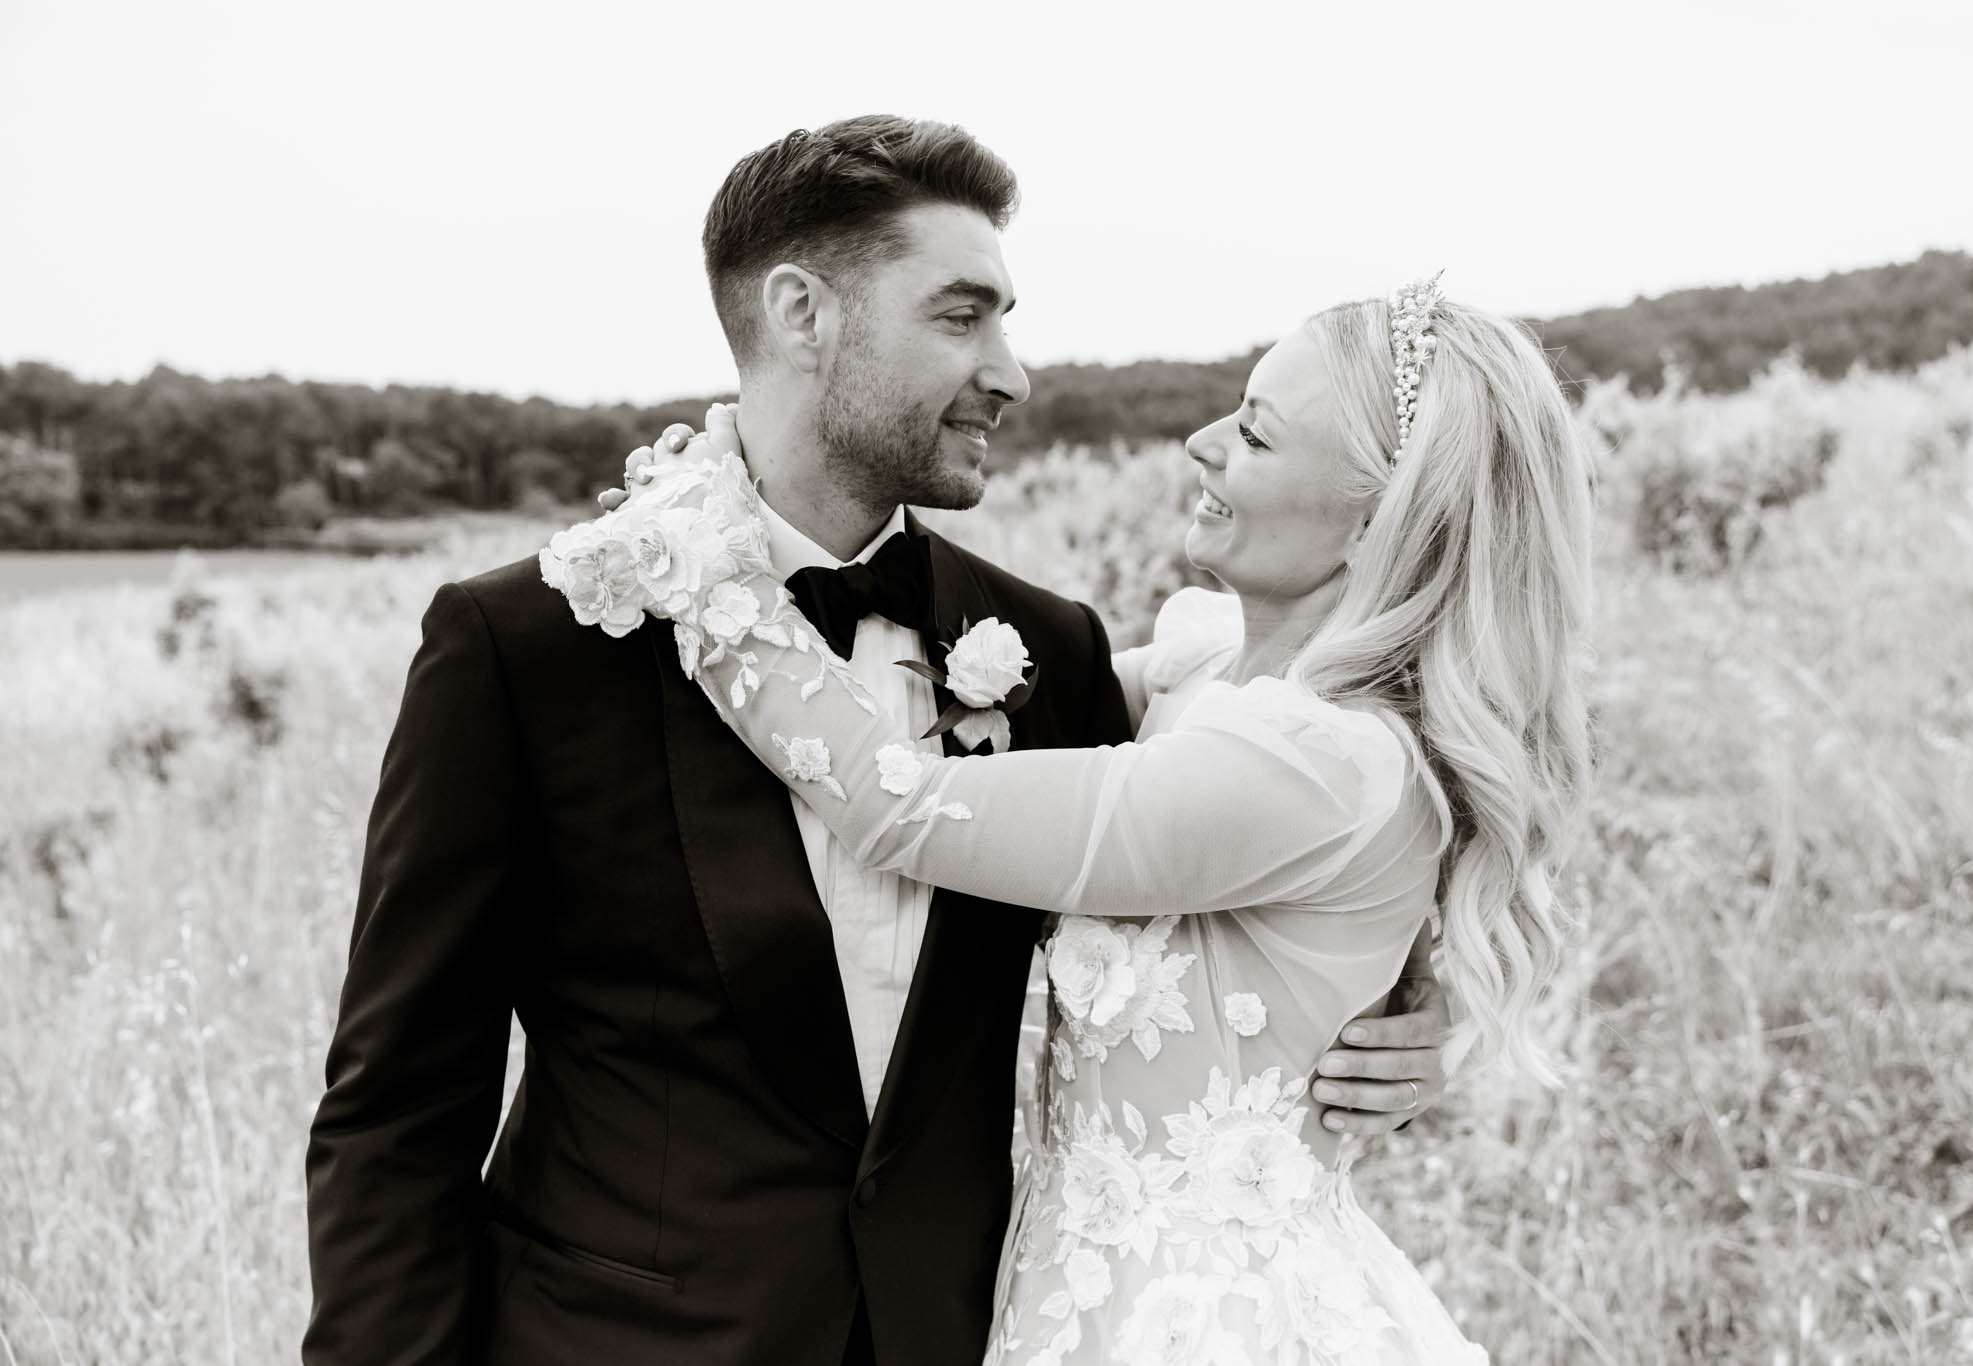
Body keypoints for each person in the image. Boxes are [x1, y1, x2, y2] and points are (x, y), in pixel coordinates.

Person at [303, 115, 1449, 1366]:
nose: (1010, 371)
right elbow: (398, 1107)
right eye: (961, 319)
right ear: (803, 313)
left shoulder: (1050, 650)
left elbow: (1283, 869)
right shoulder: (530, 641)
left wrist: (1401, 1021)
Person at [578, 268, 1593, 1361]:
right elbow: (1036, 724)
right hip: (1074, 1279)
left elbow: (899, 799)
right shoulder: (1216, 673)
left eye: (1253, 436)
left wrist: (697, 553)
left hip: (1197, 1317)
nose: (1200, 444)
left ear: (1376, 522)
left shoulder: (1310, 761)